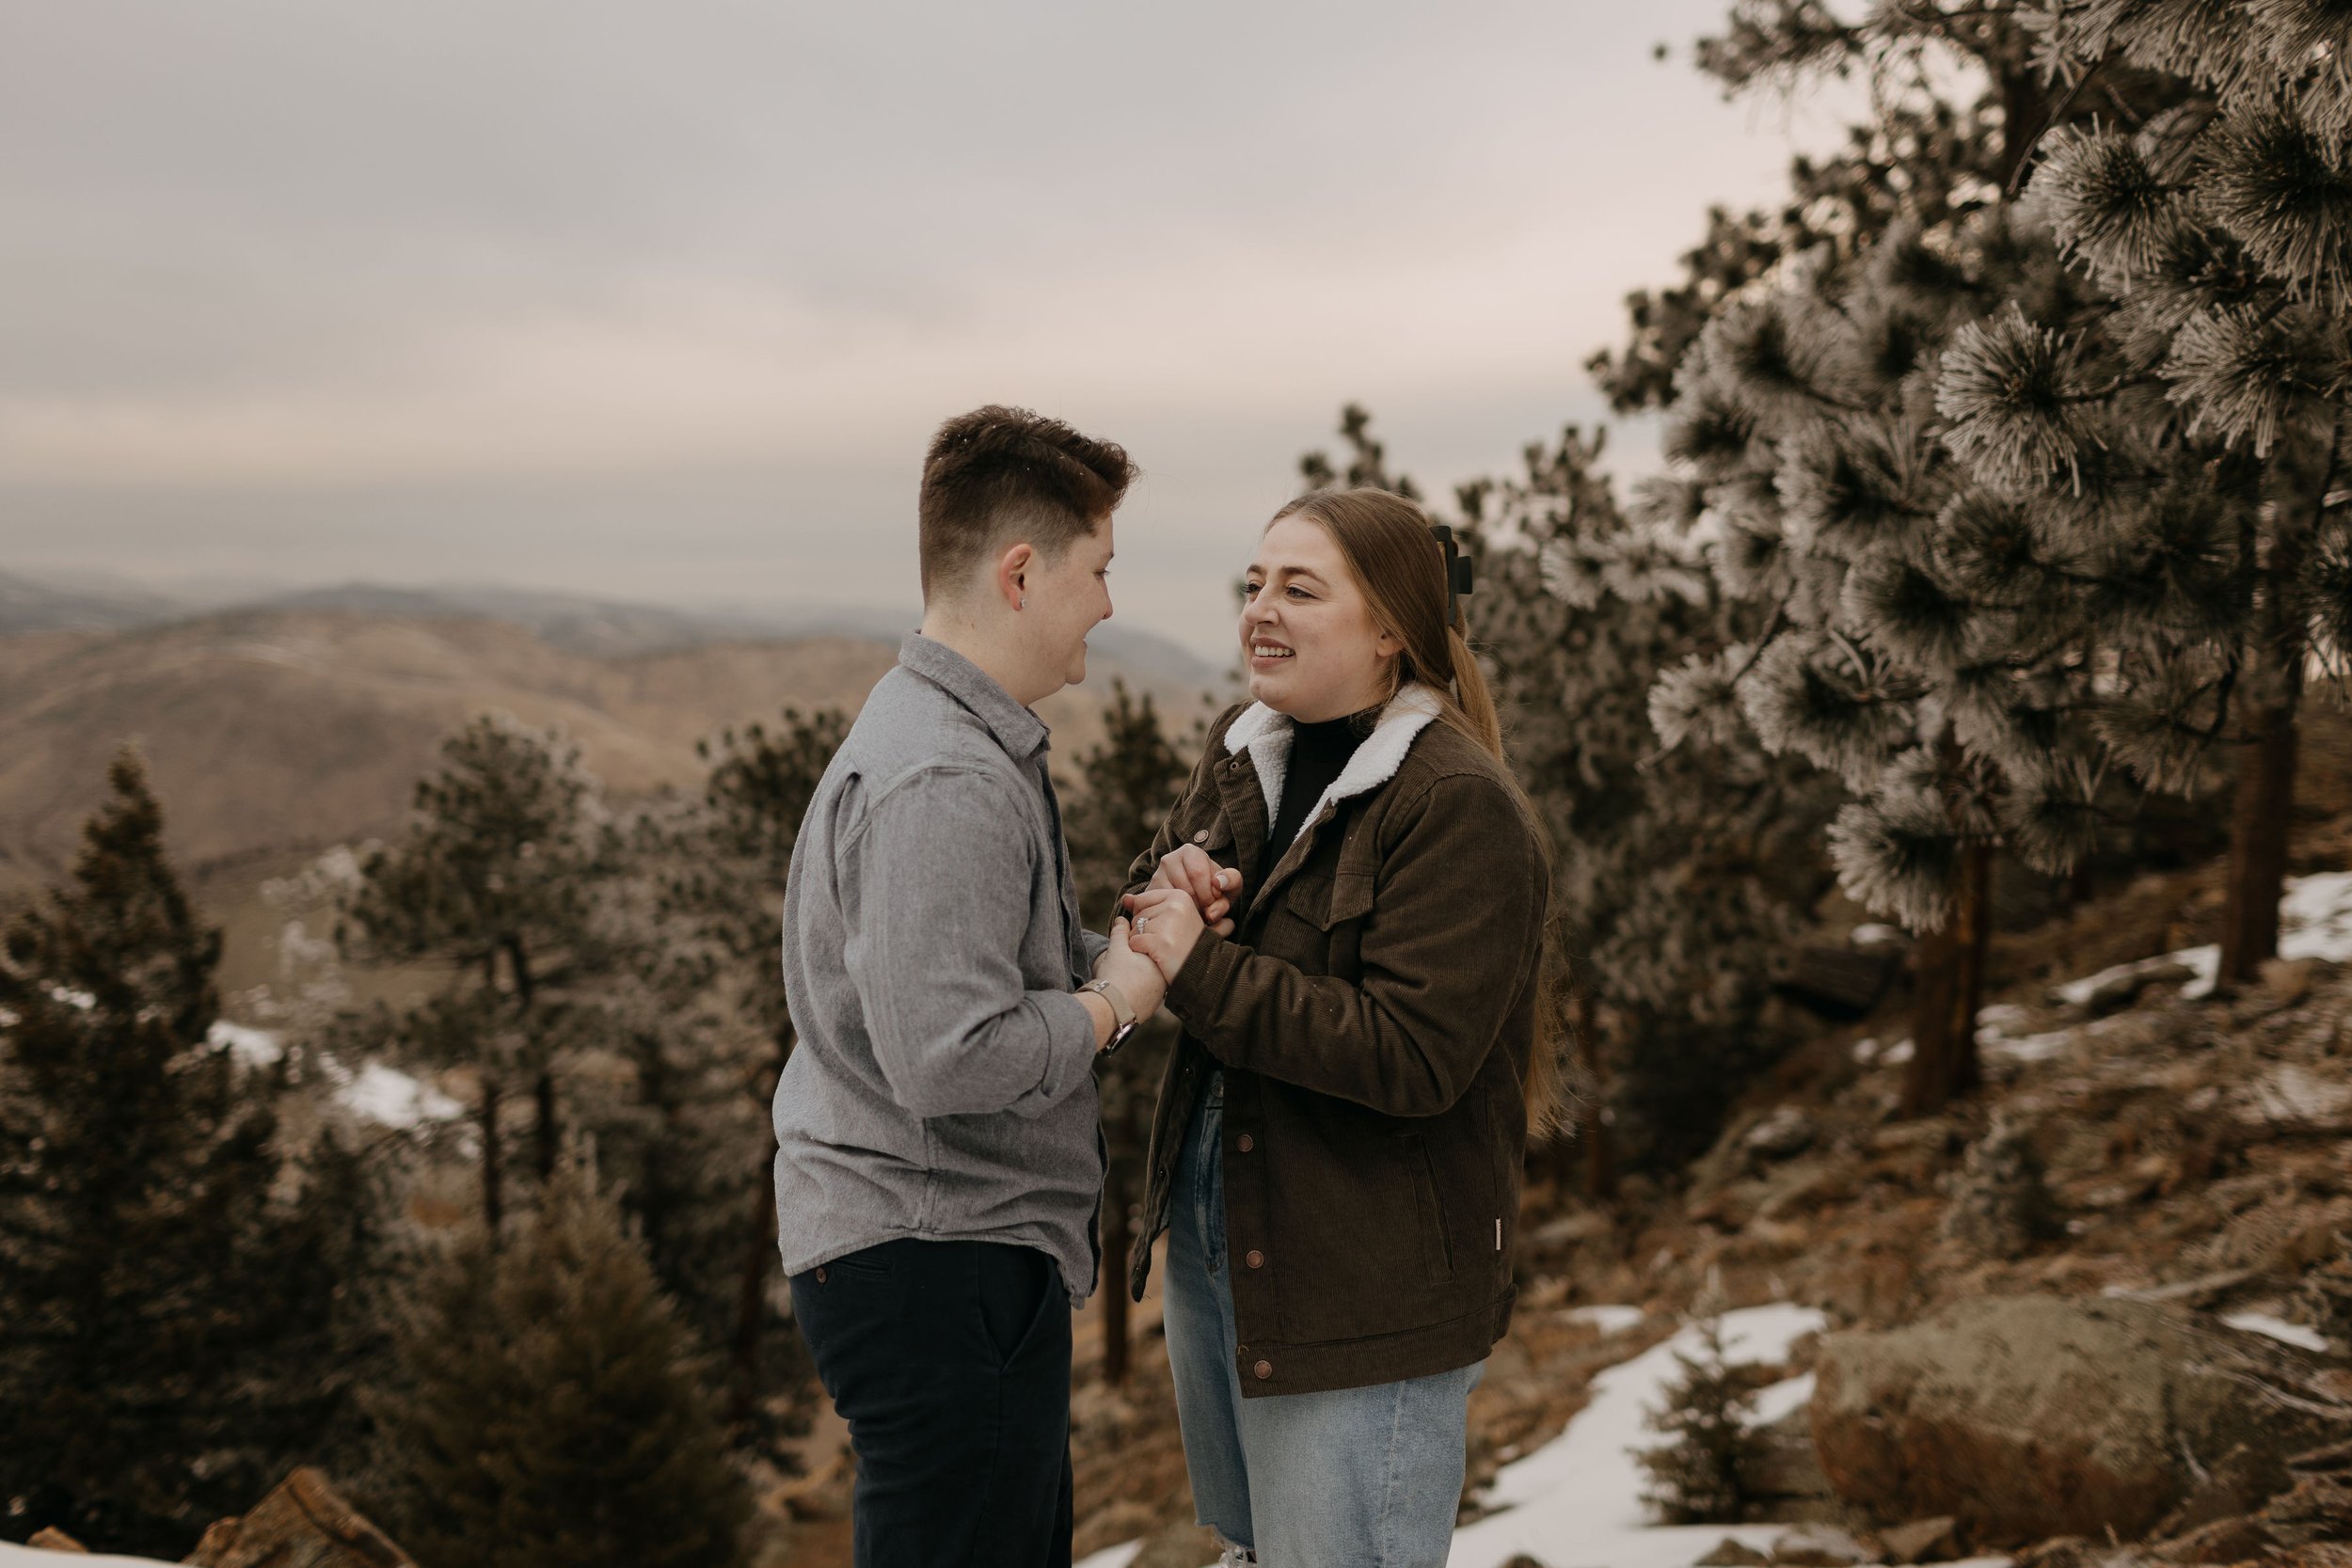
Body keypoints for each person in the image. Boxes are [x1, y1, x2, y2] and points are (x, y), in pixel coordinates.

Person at [772, 404, 1196, 1568]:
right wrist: (1114, 1004)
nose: (1108, 603)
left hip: (936, 1247)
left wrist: (1127, 938)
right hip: (934, 1252)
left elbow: (977, 976)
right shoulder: (946, 775)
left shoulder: (953, 739)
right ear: (1021, 572)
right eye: (1098, 569)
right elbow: (949, 1055)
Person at [1120, 485, 1560, 1568]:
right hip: (1228, 1237)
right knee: (1255, 1549)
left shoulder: (1454, 803)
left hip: (1361, 1283)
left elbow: (1410, 1054)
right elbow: (1157, 902)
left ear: (1389, 632)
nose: (1261, 608)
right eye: (1256, 582)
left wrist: (1200, 959)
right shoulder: (1246, 744)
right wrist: (1169, 885)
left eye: (1300, 588)